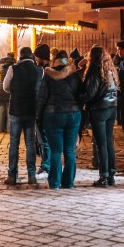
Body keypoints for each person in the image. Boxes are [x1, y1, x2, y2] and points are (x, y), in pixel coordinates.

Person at [36, 49, 81, 190]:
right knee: (69, 150)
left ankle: (55, 182)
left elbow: (42, 98)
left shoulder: (48, 75)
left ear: (54, 60)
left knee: (56, 150)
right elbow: (80, 96)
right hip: (73, 114)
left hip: (53, 115)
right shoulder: (74, 75)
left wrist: (38, 116)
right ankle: (68, 182)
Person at [1, 47, 42, 186]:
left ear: (20, 56)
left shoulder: (13, 69)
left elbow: (5, 87)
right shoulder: (39, 70)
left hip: (16, 110)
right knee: (30, 143)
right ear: (31, 56)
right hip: (31, 110)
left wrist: (15, 89)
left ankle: (12, 175)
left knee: (14, 143)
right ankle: (31, 175)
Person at [81, 46, 118, 187]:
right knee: (108, 143)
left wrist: (81, 99)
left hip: (99, 109)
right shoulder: (110, 70)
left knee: (101, 143)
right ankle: (111, 174)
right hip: (111, 107)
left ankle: (104, 176)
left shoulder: (95, 70)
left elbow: (90, 92)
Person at [32, 44, 51, 176]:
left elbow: (42, 94)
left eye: (36, 57)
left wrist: (38, 113)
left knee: (44, 140)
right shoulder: (48, 69)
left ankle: (46, 165)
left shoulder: (45, 71)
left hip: (45, 110)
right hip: (51, 109)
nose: (35, 59)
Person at [0, 52, 15, 133]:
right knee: (9, 110)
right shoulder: (12, 67)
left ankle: (0, 128)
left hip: (0, 89)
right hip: (8, 89)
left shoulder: (1, 65)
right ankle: (9, 128)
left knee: (1, 109)